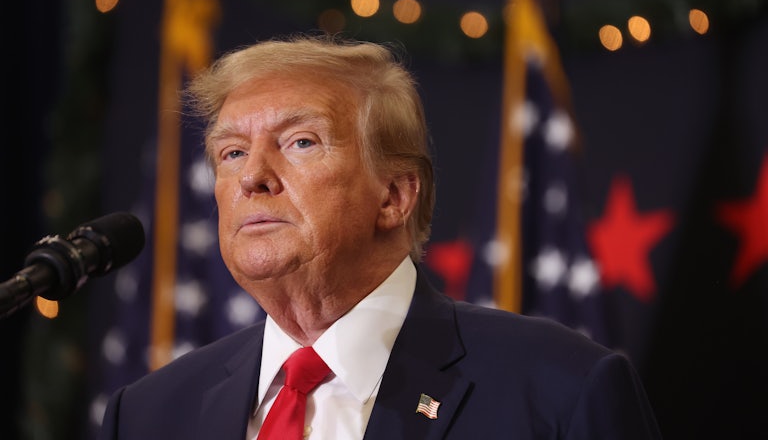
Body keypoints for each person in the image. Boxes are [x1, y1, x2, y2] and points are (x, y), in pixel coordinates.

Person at [98, 35, 662, 439]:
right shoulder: (148, 415)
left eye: (300, 142)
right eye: (232, 152)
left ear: (394, 196)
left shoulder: (559, 390)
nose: (252, 176)